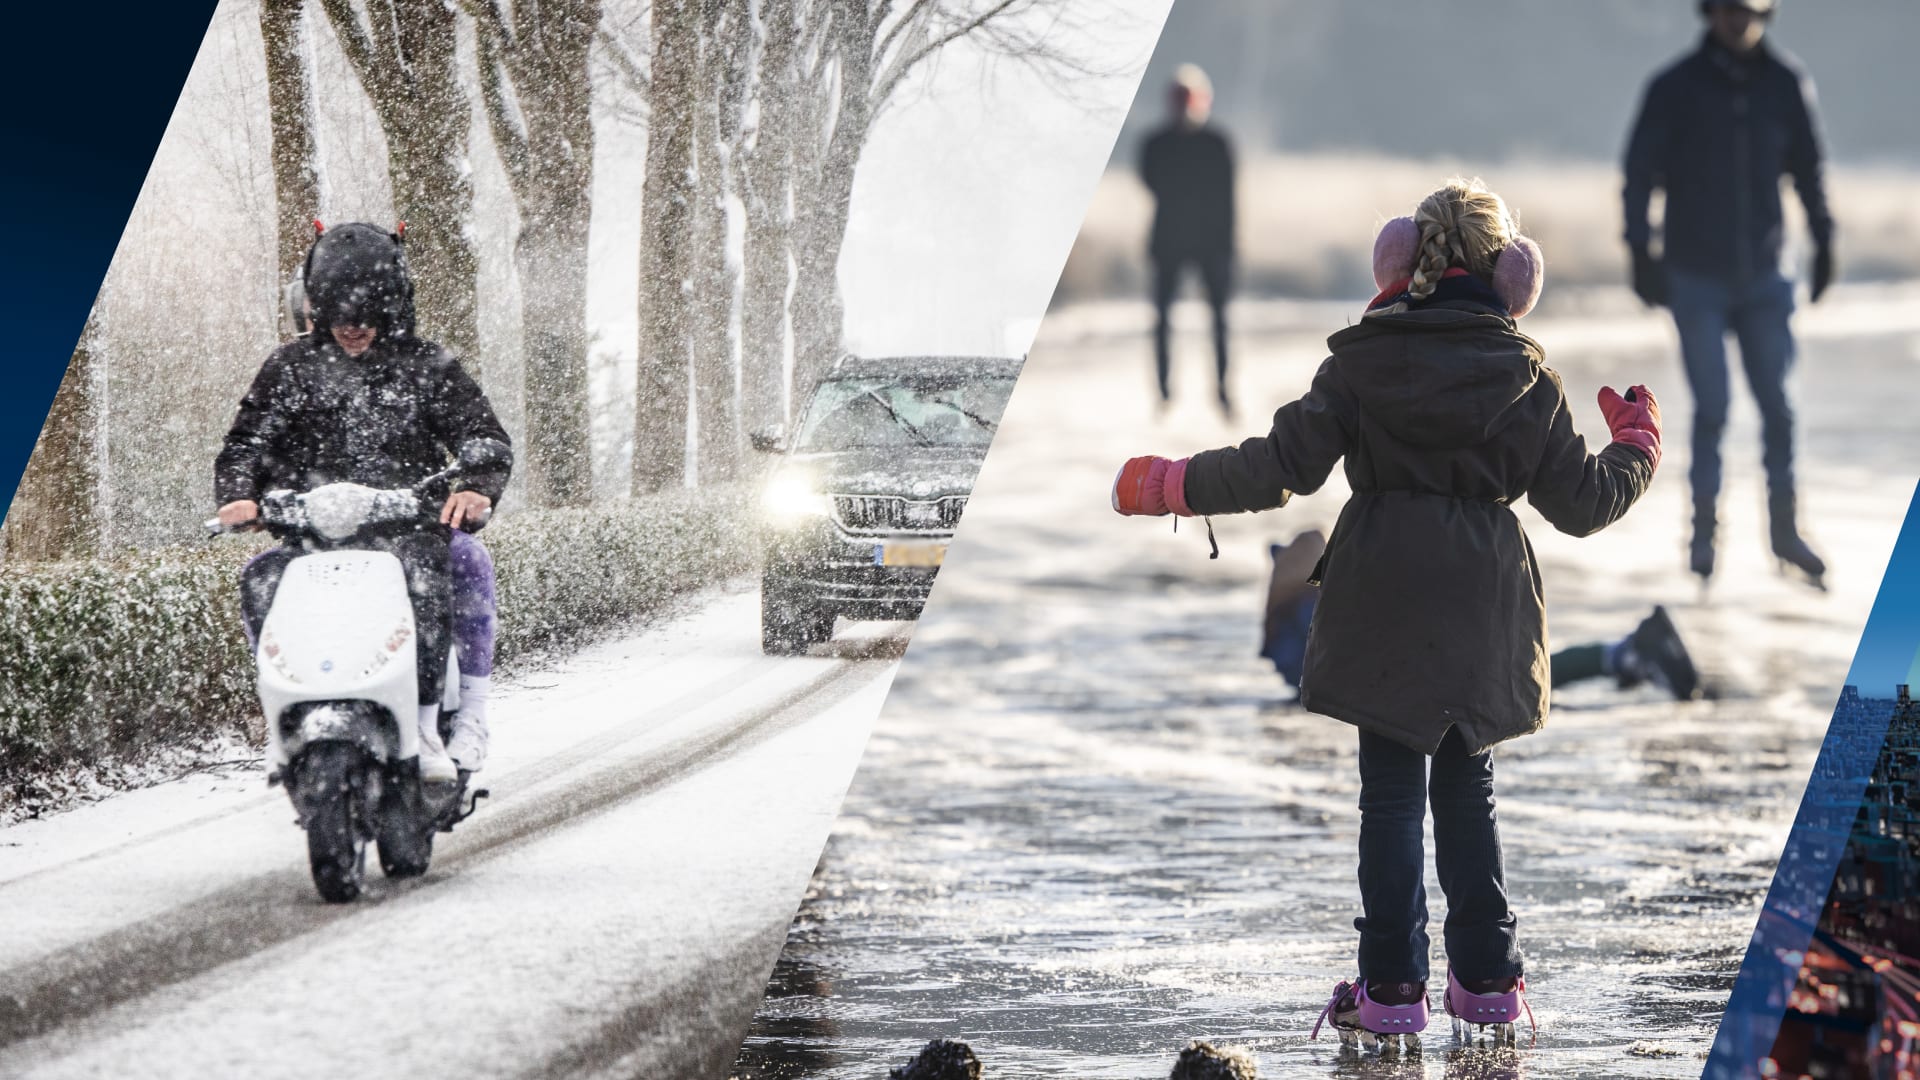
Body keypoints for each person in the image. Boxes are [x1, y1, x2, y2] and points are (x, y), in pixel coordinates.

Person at [1112, 180, 1660, 1043]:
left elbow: (1275, 466)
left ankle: (1391, 989)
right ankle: (1488, 984)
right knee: (1469, 795)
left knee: (1392, 803)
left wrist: (1175, 483)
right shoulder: (1528, 375)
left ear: (1403, 260)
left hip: (1382, 596)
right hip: (1483, 605)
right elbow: (1586, 504)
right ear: (1509, 273)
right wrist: (1636, 445)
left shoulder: (1362, 362)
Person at [217, 222, 512, 783]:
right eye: (339, 316)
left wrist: (475, 485)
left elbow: (482, 434)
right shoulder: (288, 370)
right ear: (315, 308)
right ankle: (281, 715)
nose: (353, 329)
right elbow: (245, 444)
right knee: (258, 579)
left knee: (457, 566)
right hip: (310, 540)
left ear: (394, 307)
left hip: (409, 532)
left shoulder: (429, 366)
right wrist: (237, 496)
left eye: (368, 316)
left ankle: (447, 719)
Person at [1623, 0, 1833, 587]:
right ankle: (1704, 540)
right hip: (1695, 278)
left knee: (1779, 408)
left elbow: (1810, 169)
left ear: (1766, 11)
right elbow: (1639, 173)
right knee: (1712, 409)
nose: (1738, 17)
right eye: (1727, 7)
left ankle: (1786, 536)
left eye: (1749, 7)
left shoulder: (1786, 82)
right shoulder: (1674, 87)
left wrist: (1825, 240)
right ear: (1708, 13)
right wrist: (1641, 252)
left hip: (1768, 275)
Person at [1262, 532, 1700, 702]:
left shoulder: (1302, 616)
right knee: (1524, 675)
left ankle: (1625, 653)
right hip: (1421, 661)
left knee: (1523, 678)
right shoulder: (1312, 608)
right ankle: (1623, 654)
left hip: (1410, 678)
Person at [1139, 64, 1236, 416]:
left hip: (1211, 245)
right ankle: (1164, 392)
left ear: (1201, 102)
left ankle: (1223, 391)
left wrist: (1228, 249)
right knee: (1162, 319)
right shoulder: (1156, 144)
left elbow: (1228, 201)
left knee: (1219, 320)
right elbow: (1151, 182)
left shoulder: (1217, 143)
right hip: (1168, 243)